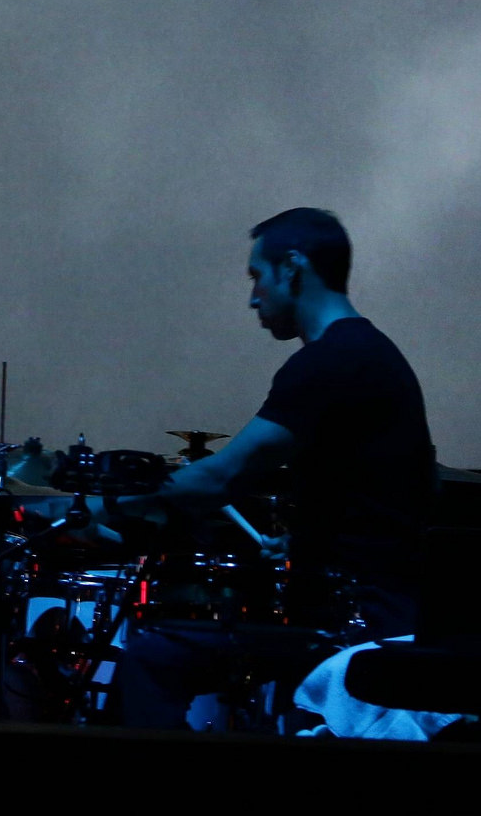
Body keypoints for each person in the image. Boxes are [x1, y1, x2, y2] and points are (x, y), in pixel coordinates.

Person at [104, 207, 437, 728]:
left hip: (360, 623)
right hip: (374, 608)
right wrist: (304, 545)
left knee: (153, 659)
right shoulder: (365, 352)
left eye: (257, 276)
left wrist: (101, 504)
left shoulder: (332, 360)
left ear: (292, 267)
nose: (253, 296)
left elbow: (219, 478)